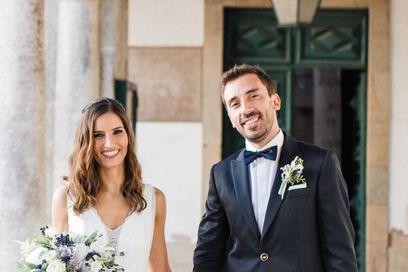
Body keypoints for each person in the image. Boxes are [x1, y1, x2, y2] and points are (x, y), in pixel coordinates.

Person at [193, 64, 357, 272]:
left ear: (275, 101)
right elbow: (209, 251)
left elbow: (340, 251)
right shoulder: (221, 174)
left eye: (253, 96)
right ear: (231, 118)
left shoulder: (321, 163)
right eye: (234, 104)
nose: (245, 109)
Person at [51, 96, 172, 272]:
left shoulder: (154, 199)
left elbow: (161, 269)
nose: (109, 143)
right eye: (98, 135)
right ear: (86, 142)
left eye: (117, 132)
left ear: (128, 135)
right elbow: (59, 265)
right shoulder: (66, 199)